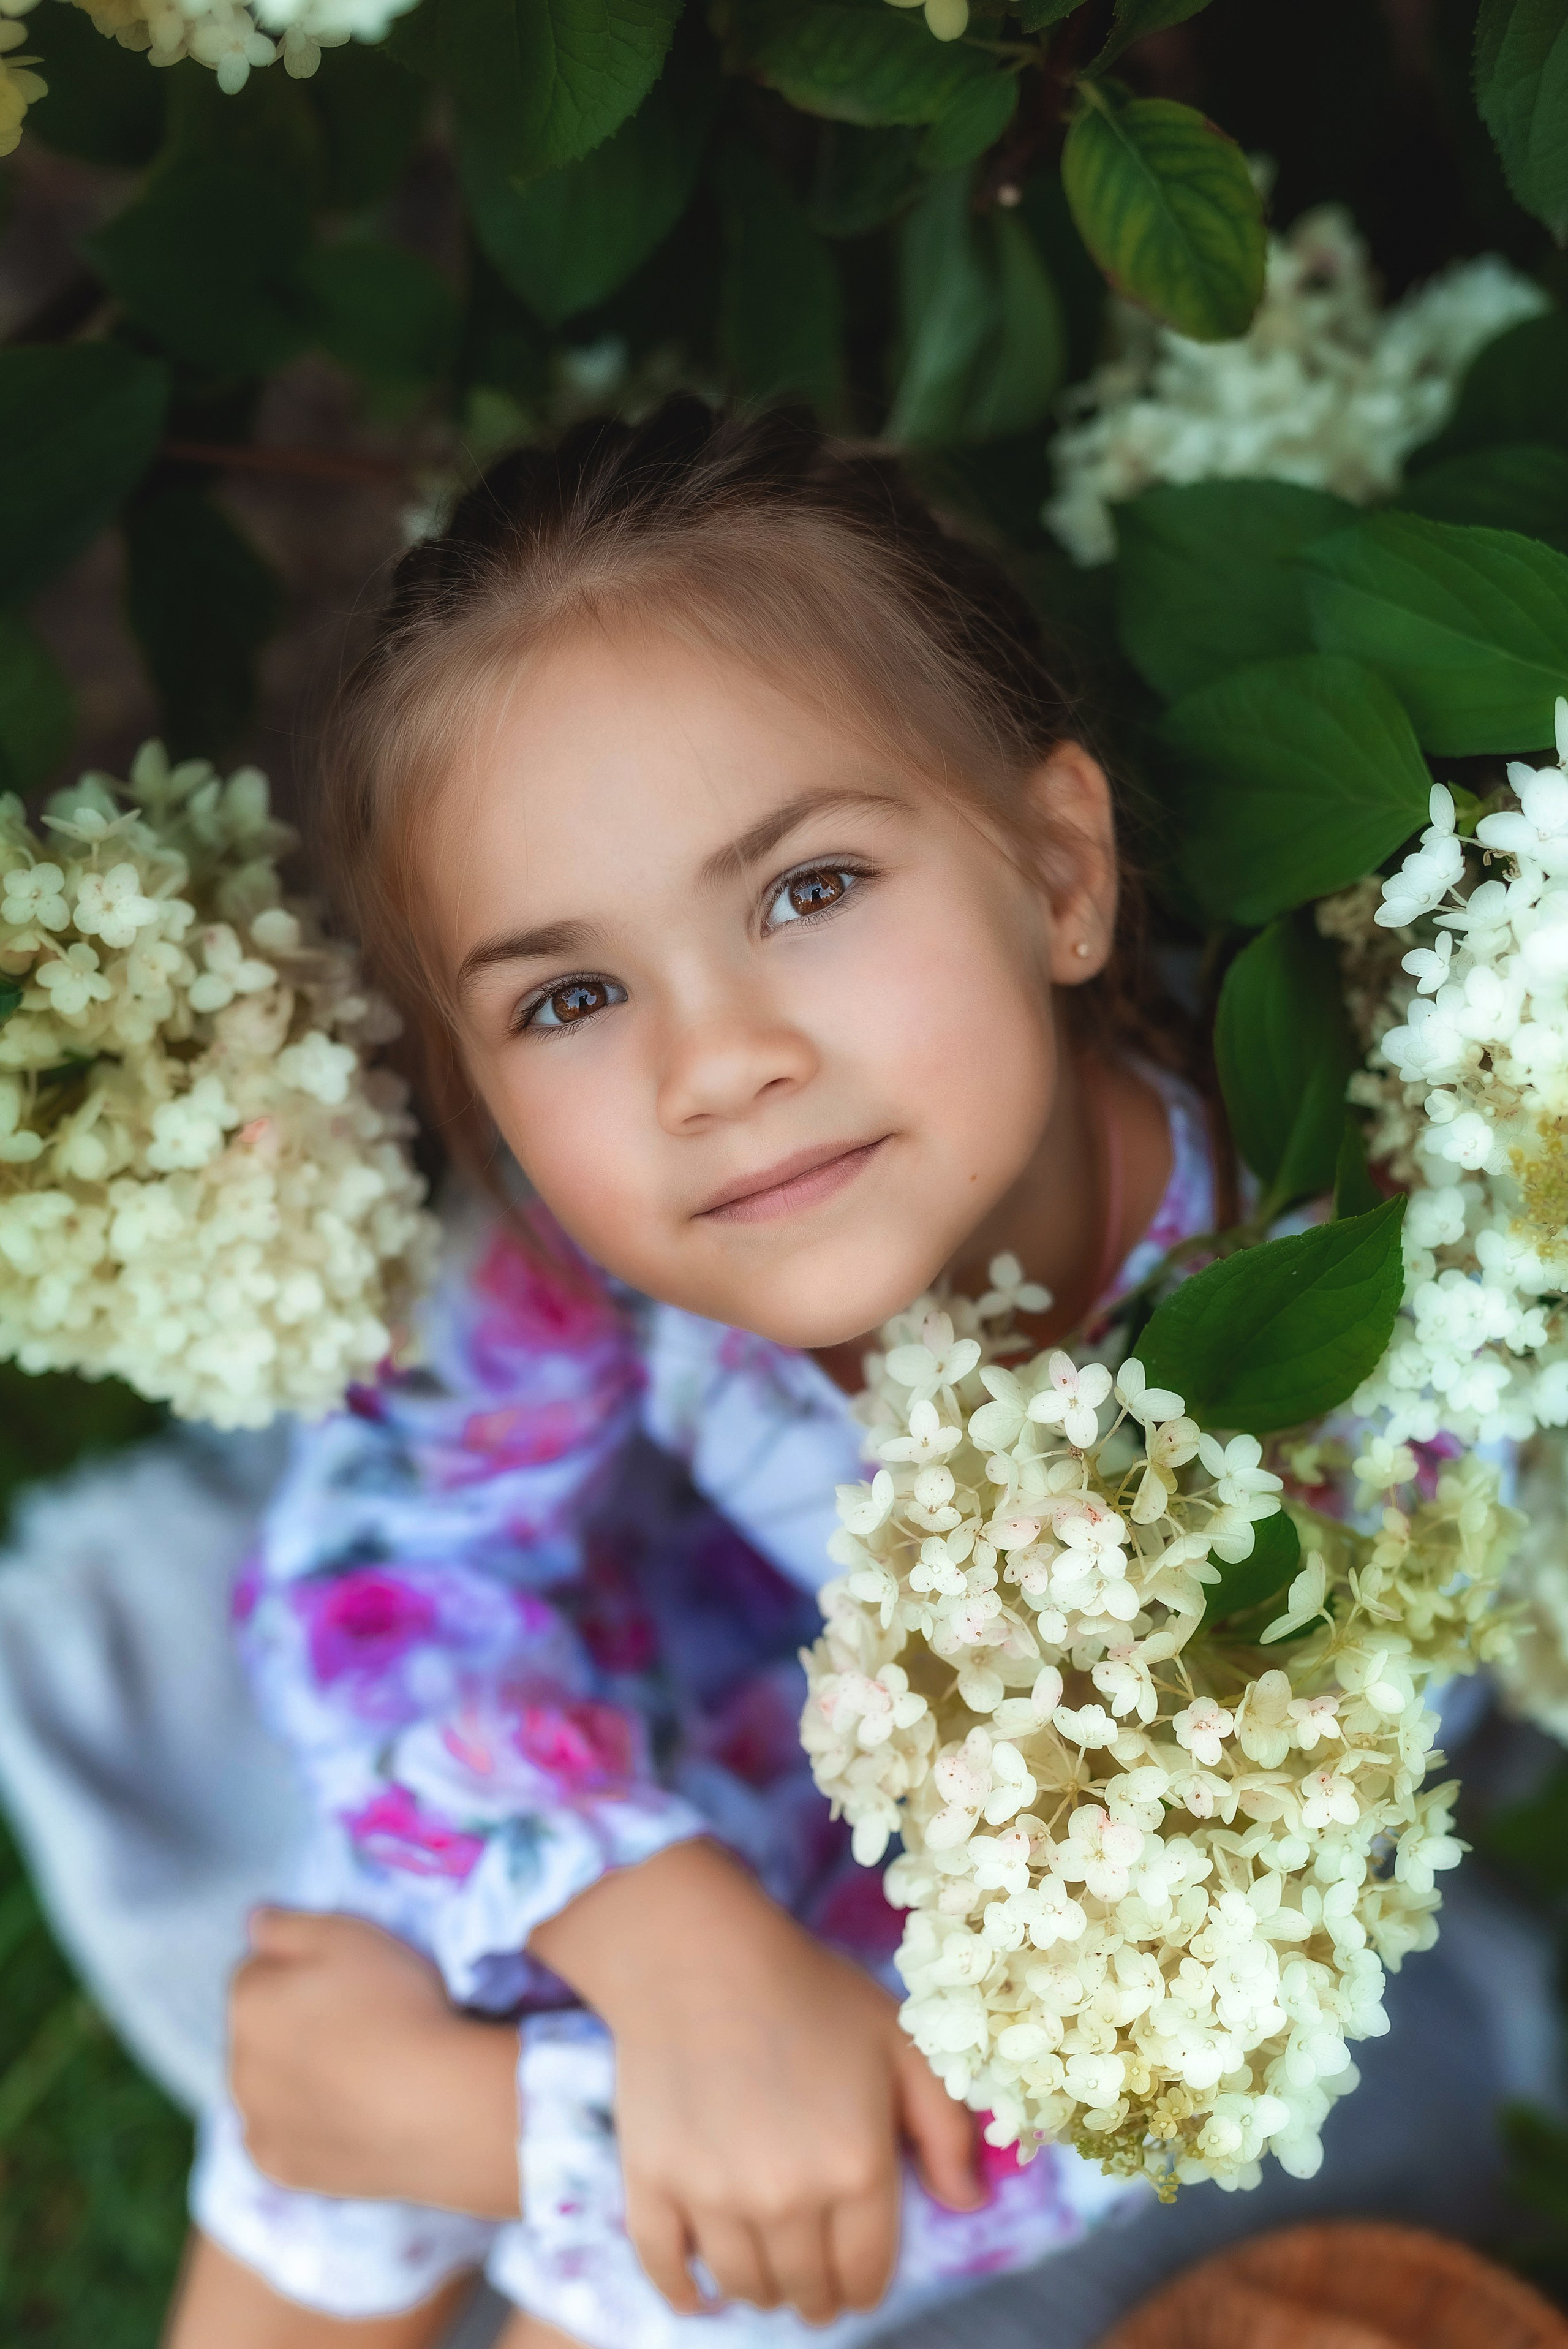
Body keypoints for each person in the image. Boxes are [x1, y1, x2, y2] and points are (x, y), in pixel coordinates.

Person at [163, 397, 1222, 2349]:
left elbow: (1161, 2053)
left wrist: (488, 2126)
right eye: (570, 996)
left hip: (995, 1913)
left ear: (1061, 869)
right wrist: (643, 1920)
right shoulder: (601, 1230)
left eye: (808, 888)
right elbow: (377, 1582)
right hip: (687, 1719)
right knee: (414, 1884)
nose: (710, 1061)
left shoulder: (1309, 1372)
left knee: (696, 2212)